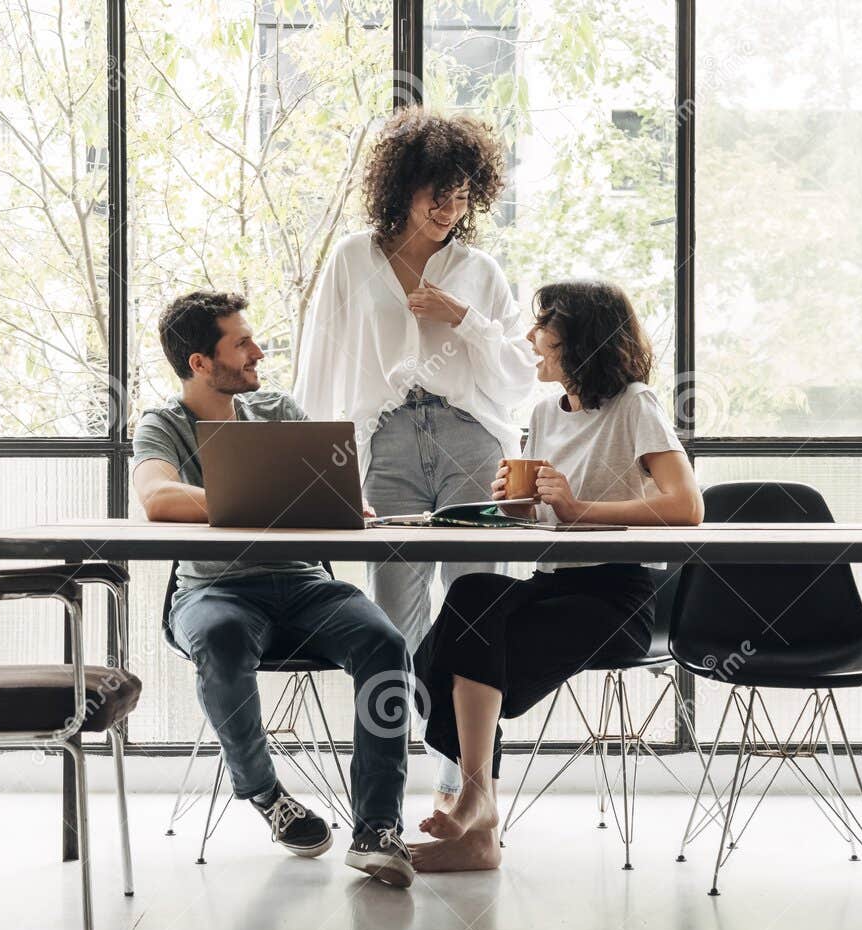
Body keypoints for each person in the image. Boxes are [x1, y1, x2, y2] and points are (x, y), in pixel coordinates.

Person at [410, 280, 705, 873]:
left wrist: (579, 511)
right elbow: (545, 513)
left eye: (543, 325)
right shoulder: (545, 412)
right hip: (553, 585)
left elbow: (686, 506)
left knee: (457, 654)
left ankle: (477, 812)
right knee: (470, 598)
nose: (530, 337)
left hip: (616, 596)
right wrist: (511, 505)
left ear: (582, 338)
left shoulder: (635, 405)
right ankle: (479, 814)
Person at [292, 107, 539, 805]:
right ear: (401, 187)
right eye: (437, 192)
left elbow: (520, 376)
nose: (448, 209)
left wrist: (465, 319)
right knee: (391, 617)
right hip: (387, 444)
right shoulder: (353, 259)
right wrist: (324, 467)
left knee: (475, 610)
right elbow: (322, 369)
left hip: (471, 440)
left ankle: (466, 785)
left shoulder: (480, 270)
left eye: (462, 195)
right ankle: (384, 791)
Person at [132, 290, 415, 888]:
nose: (258, 352)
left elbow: (326, 491)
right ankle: (266, 795)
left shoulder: (276, 408)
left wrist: (339, 504)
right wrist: (261, 502)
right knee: (224, 640)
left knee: (385, 644)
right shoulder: (164, 423)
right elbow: (157, 498)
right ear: (200, 363)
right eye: (241, 343)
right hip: (215, 593)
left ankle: (378, 828)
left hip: (305, 584)